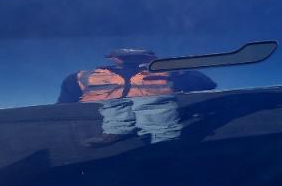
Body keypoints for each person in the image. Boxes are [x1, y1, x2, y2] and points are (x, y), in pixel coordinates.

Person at [58, 48, 216, 147]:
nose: (130, 57)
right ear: (111, 58)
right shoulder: (84, 76)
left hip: (162, 132)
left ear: (150, 57)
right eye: (123, 54)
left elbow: (208, 84)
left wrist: (177, 70)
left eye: (137, 55)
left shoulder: (169, 72)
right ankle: (116, 132)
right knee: (113, 104)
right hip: (108, 125)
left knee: (156, 104)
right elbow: (63, 107)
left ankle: (163, 141)